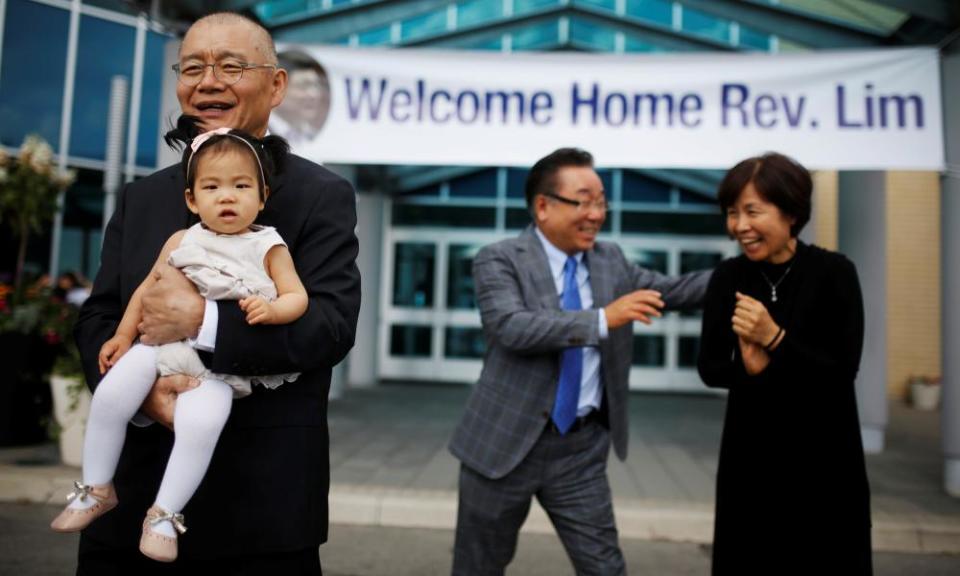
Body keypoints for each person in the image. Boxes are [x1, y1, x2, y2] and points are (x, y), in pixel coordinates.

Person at [73, 12, 360, 574]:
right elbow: (99, 316)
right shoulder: (143, 197)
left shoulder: (322, 195)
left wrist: (203, 321)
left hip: (260, 511)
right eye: (193, 68)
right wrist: (143, 398)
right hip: (130, 504)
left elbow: (329, 328)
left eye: (231, 67)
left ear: (276, 86)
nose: (208, 82)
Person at [52, 120, 306, 563]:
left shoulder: (269, 245)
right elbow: (146, 289)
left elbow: (297, 296)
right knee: (111, 394)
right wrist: (123, 334)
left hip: (217, 367)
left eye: (241, 185)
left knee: (201, 425)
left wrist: (273, 310)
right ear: (192, 198)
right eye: (212, 186)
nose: (227, 196)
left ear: (263, 196)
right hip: (156, 350)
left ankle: (164, 514)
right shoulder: (180, 238)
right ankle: (97, 486)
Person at [448, 147, 711, 575]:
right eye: (584, 200)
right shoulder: (499, 258)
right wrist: (603, 319)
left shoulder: (611, 261)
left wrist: (750, 269)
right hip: (502, 445)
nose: (596, 213)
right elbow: (512, 327)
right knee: (478, 567)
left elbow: (676, 289)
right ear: (543, 206)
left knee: (604, 567)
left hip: (579, 449)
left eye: (601, 201)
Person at [697, 152, 872, 574]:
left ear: (791, 211)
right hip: (750, 460)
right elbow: (710, 366)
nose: (739, 225)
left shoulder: (835, 273)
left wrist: (773, 338)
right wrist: (749, 370)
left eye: (752, 211)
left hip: (825, 460)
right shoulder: (728, 278)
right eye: (732, 213)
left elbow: (842, 369)